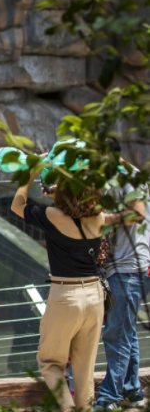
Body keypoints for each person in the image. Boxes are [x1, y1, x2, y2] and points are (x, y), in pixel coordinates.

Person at [11, 172, 105, 412]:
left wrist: (29, 175)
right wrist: (62, 194)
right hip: (94, 296)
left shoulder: (52, 215)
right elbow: (76, 209)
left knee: (50, 363)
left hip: (66, 295)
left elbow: (17, 205)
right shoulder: (99, 217)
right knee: (85, 372)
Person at [95, 138, 150, 410]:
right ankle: (133, 390)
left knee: (115, 334)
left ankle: (109, 398)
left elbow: (137, 213)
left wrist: (105, 219)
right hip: (135, 267)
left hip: (129, 268)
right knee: (126, 331)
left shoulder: (123, 178)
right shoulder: (129, 175)